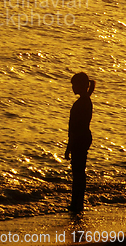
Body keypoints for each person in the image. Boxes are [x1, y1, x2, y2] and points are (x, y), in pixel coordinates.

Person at [65, 72, 95, 213]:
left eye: (74, 85)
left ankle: (76, 204)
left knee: (77, 173)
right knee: (79, 172)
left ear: (80, 85)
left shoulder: (81, 103)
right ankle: (77, 202)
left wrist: (68, 147)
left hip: (79, 139)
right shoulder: (86, 101)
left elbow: (76, 128)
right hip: (84, 138)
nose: (72, 88)